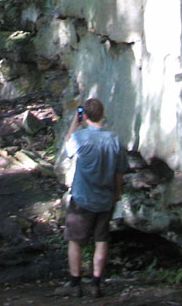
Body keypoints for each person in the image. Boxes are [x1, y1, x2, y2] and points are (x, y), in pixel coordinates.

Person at [58, 97, 126, 298]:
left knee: (75, 241)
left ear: (85, 115)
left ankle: (75, 284)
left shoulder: (80, 138)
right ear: (102, 114)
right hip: (105, 199)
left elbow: (68, 145)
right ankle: (96, 284)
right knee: (101, 240)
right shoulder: (114, 140)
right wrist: (117, 194)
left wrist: (75, 122)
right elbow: (119, 173)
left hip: (82, 198)